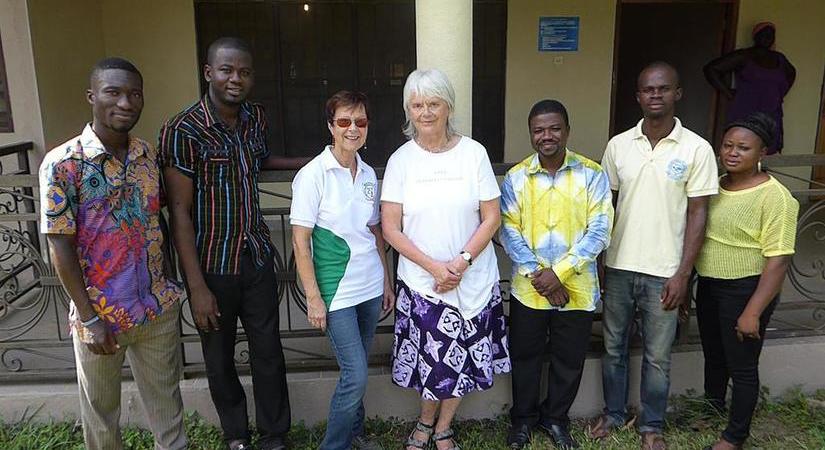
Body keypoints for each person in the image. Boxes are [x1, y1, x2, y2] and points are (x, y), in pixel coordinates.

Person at [160, 37, 305, 450]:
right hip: (212, 266)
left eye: (243, 72)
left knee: (268, 353)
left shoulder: (255, 117)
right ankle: (237, 436)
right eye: (226, 70)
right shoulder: (182, 129)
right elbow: (179, 213)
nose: (235, 79)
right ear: (209, 72)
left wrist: (308, 162)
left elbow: (259, 161)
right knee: (220, 359)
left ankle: (274, 435)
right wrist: (197, 288)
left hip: (257, 256)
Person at [39, 57, 186, 450]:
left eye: (134, 93)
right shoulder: (63, 163)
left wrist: (170, 283)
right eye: (114, 92)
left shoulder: (147, 155)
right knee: (102, 421)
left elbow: (160, 220)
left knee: (168, 413)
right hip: (100, 316)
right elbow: (59, 244)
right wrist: (88, 317)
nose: (126, 102)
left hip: (156, 309)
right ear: (92, 96)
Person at [591, 61, 719, 450]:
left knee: (657, 356)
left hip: (665, 271)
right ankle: (615, 414)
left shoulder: (697, 149)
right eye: (648, 89)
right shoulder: (618, 146)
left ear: (677, 93)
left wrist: (683, 273)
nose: (656, 95)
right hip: (618, 267)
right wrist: (600, 260)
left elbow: (699, 213)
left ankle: (652, 426)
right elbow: (604, 206)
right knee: (613, 348)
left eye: (664, 89)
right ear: (638, 96)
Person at [381, 68, 511, 450]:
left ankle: (443, 427)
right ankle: (424, 422)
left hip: (471, 277)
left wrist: (461, 262)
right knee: (434, 362)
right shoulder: (401, 160)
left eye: (433, 103)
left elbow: (492, 217)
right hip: (425, 282)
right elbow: (391, 228)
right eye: (417, 104)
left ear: (448, 106)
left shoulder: (474, 154)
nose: (425, 112)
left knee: (463, 359)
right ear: (408, 109)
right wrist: (436, 268)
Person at [501, 99, 613, 450]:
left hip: (576, 289)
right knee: (525, 358)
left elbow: (599, 231)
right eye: (539, 130)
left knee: (568, 360)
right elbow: (507, 230)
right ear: (531, 134)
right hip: (528, 290)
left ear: (567, 130)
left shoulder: (592, 174)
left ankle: (556, 419)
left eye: (554, 128)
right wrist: (541, 276)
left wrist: (560, 273)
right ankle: (522, 421)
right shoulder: (516, 177)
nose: (546, 135)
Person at [290, 90, 395, 450]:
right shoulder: (312, 175)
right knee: (356, 374)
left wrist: (386, 281)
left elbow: (375, 231)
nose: (353, 129)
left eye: (360, 122)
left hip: (369, 285)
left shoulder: (367, 174)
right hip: (336, 290)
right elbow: (300, 242)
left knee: (358, 369)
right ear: (331, 127)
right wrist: (313, 298)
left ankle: (355, 435)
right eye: (344, 122)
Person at [695, 113, 798, 450]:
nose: (733, 152)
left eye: (743, 147)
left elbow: (779, 260)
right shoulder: (716, 186)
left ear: (761, 153)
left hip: (747, 287)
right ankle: (712, 411)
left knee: (741, 365)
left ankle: (734, 436)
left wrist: (753, 311)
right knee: (714, 354)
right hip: (710, 283)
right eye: (727, 145)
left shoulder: (776, 196)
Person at [704, 22, 796, 154]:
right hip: (745, 112)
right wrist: (729, 93)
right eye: (763, 34)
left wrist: (779, 94)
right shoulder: (745, 55)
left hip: (771, 115)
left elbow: (791, 73)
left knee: (765, 153)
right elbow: (711, 69)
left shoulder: (779, 59)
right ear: (755, 36)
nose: (767, 37)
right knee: (741, 150)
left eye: (771, 35)